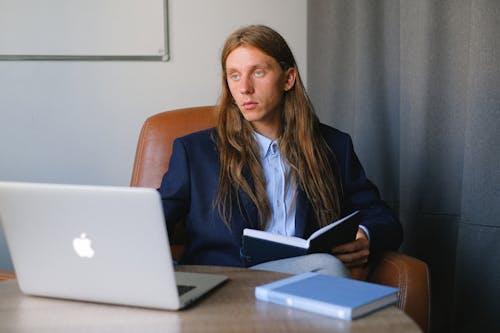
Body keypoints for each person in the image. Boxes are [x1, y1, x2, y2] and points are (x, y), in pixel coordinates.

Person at [158, 25, 402, 277]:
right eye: (234, 75)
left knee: (327, 267)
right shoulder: (195, 152)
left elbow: (381, 215)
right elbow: (152, 222)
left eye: (258, 72)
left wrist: (365, 234)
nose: (244, 88)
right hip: (225, 285)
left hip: (301, 280)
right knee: (329, 267)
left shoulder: (333, 146)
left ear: (288, 78)